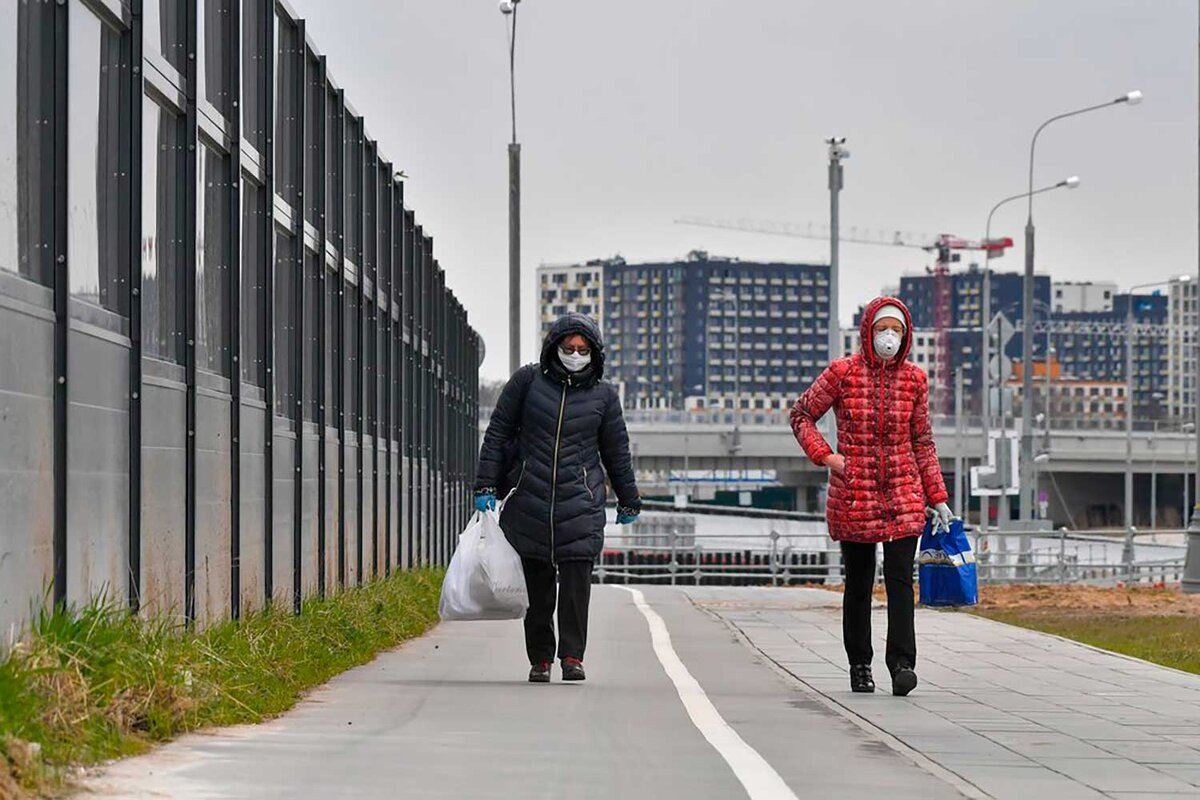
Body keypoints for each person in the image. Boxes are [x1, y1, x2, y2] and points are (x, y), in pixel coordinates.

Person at [790, 296, 952, 697]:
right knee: (859, 584)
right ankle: (859, 664)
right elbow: (801, 414)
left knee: (900, 578)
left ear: (907, 335)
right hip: (855, 493)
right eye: (883, 329)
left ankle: (902, 664)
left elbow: (922, 441)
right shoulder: (842, 373)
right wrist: (827, 456)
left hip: (903, 493)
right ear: (868, 332)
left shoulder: (915, 380)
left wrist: (937, 496)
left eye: (897, 330)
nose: (889, 337)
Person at [474, 313, 642, 684]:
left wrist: (629, 499)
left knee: (576, 586)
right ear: (555, 347)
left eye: (583, 350)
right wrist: (486, 485)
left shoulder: (604, 396)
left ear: (594, 353)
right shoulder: (527, 382)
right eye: (569, 348)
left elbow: (617, 452)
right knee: (537, 589)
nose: (576, 355)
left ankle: (572, 656)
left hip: (580, 502)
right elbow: (498, 433)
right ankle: (540, 659)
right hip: (529, 499)